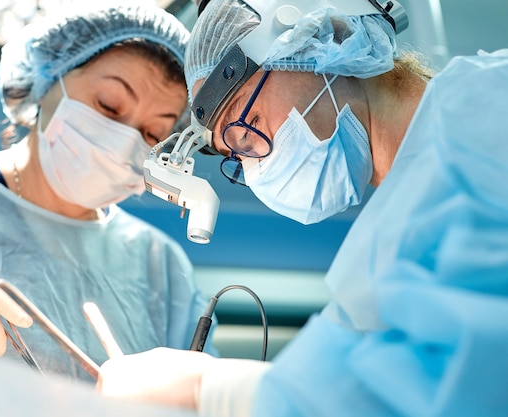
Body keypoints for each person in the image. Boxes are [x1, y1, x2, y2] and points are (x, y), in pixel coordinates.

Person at [95, 0, 508, 416]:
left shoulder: (485, 108)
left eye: (245, 122)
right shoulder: (390, 239)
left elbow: (449, 380)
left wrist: (213, 390)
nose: (254, 166)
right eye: (236, 155)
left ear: (327, 34)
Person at [0, 2, 216, 416]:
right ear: (47, 81)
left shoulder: (158, 267)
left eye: (153, 132)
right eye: (109, 105)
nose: (125, 138)